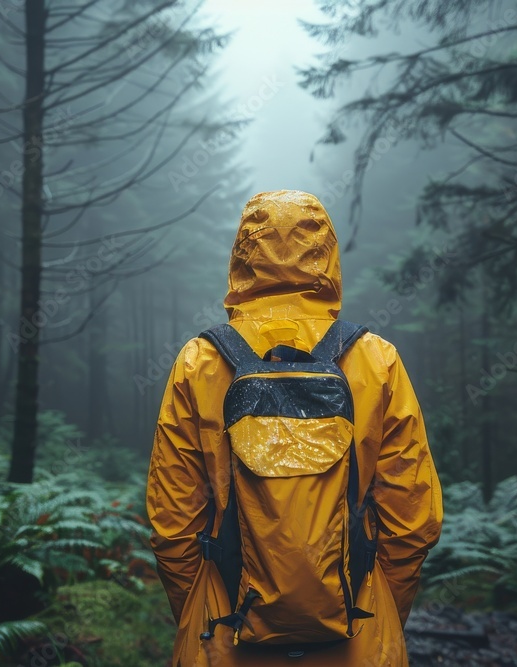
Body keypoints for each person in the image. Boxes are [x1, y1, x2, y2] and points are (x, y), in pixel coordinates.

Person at [147, 189, 443, 666]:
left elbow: (172, 526)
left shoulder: (198, 362)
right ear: (327, 255)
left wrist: (201, 612)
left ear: (242, 255)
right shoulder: (375, 359)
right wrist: (381, 611)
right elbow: (412, 523)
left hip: (224, 637)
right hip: (358, 638)